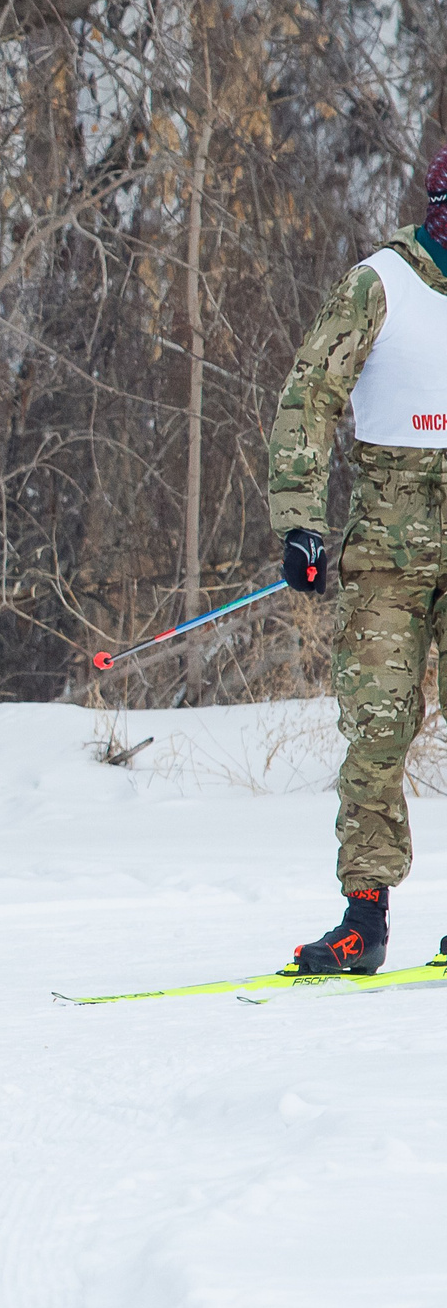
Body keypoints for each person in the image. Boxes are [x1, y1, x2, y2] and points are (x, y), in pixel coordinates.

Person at [265, 147, 447, 973]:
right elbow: (311, 394)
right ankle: (362, 919)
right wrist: (299, 519)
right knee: (378, 729)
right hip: (389, 555)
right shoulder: (379, 283)